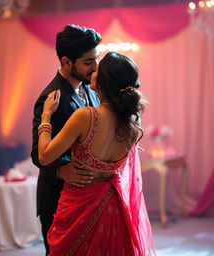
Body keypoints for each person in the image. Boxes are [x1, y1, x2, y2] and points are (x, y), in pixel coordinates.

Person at [38, 52, 155, 255]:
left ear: (103, 82)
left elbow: (44, 156)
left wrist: (46, 117)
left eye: (98, 69)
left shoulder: (86, 116)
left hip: (79, 206)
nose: (93, 69)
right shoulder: (132, 123)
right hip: (114, 207)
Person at [31, 24, 101, 254]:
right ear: (66, 61)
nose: (95, 67)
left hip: (86, 194)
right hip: (57, 196)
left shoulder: (91, 89)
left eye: (96, 59)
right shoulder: (49, 97)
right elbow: (36, 153)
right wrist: (61, 170)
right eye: (88, 62)